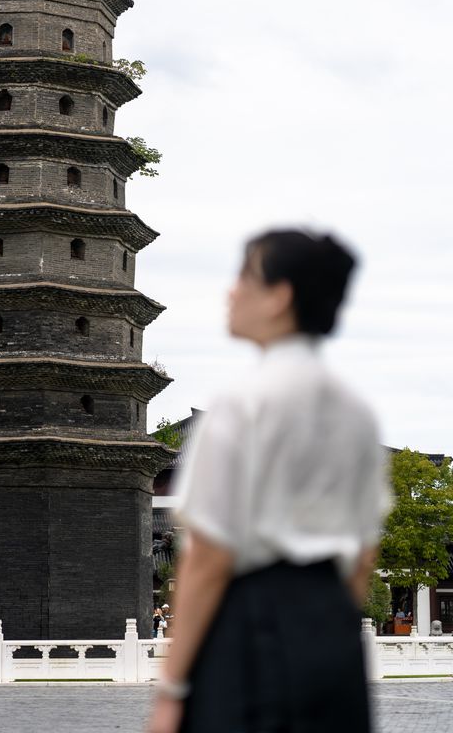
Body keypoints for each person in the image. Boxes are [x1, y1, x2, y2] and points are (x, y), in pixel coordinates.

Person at [147, 228, 389, 733]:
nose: (231, 292)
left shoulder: (245, 402)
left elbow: (210, 554)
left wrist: (171, 688)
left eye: (244, 276)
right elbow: (365, 554)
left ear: (280, 297)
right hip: (333, 631)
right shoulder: (357, 414)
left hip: (253, 624)